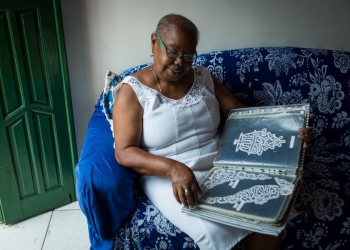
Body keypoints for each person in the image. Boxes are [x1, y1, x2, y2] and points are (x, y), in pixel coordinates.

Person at [112, 14, 312, 250]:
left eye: (188, 56)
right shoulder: (133, 90)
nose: (180, 63)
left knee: (266, 218)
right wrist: (173, 168)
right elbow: (124, 152)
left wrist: (288, 128)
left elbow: (239, 114)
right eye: (173, 52)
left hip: (222, 164)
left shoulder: (202, 77)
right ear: (155, 42)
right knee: (216, 232)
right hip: (167, 174)